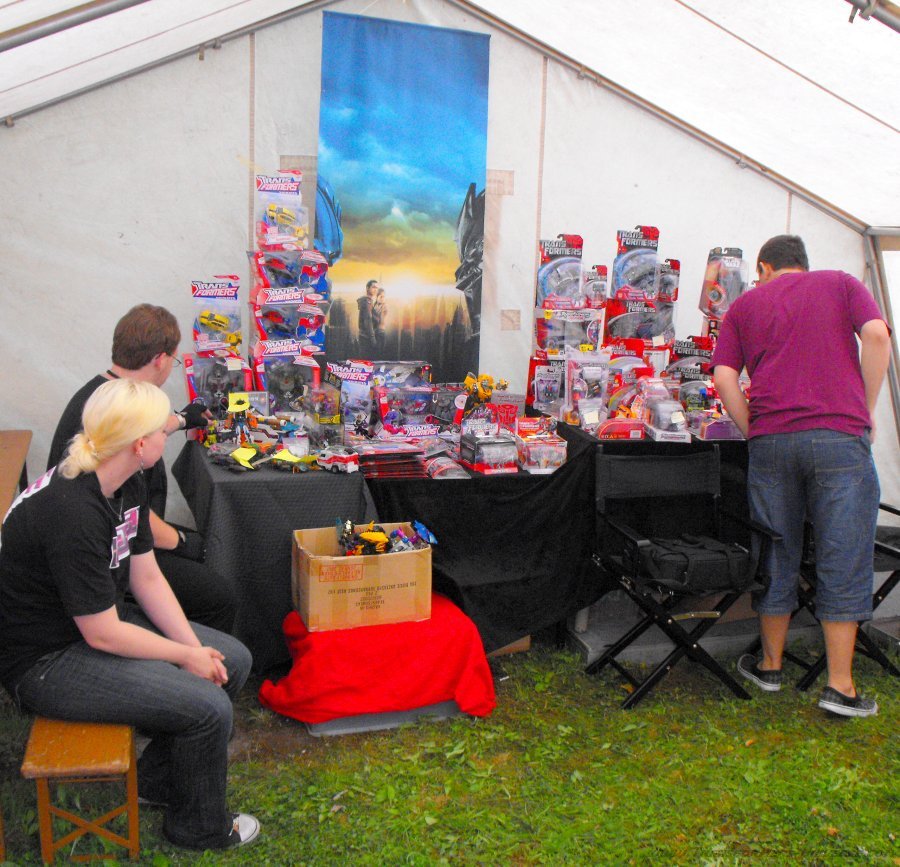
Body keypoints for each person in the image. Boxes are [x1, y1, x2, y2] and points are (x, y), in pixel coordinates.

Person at [0, 379, 259, 849]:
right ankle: (198, 828)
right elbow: (102, 635)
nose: (168, 434)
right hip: (45, 660)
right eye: (162, 429)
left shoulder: (124, 478)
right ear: (140, 444)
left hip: (92, 624)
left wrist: (194, 649)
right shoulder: (73, 511)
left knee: (231, 660)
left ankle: (159, 782)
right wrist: (184, 656)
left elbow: (147, 578)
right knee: (209, 707)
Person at [712, 234, 891, 718]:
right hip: (839, 438)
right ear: (803, 265)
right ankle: (840, 686)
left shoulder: (744, 306)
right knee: (843, 553)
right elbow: (877, 335)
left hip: (772, 441)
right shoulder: (841, 284)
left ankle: (770, 666)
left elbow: (725, 376)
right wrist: (865, 409)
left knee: (777, 549)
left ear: (765, 267)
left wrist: (753, 429)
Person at [47, 304, 238, 635]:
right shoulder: (115, 411)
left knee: (207, 545)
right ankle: (185, 659)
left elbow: (143, 430)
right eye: (173, 361)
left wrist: (182, 419)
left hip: (113, 531)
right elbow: (126, 512)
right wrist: (184, 543)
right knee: (218, 591)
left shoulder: (103, 392)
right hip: (103, 550)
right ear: (160, 360)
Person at [357, 279, 379, 359]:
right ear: (367, 288)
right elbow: (368, 321)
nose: (375, 289)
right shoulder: (367, 302)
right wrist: (372, 338)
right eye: (373, 287)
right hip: (367, 338)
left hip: (365, 337)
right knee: (367, 361)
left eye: (377, 288)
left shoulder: (369, 301)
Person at [372, 284, 388, 355]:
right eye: (381, 296)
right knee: (375, 352)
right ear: (377, 297)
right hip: (375, 332)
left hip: (381, 332)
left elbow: (380, 320)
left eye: (384, 297)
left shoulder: (384, 306)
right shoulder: (374, 306)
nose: (383, 298)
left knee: (380, 352)